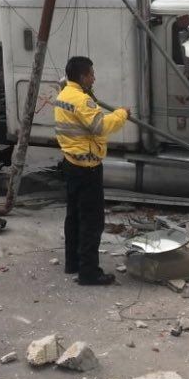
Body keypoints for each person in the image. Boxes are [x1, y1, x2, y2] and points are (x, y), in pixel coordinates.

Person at [54, 56, 129, 286]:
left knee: (74, 216)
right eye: (92, 74)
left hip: (71, 163)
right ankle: (89, 272)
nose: (94, 77)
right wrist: (122, 114)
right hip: (87, 168)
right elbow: (101, 127)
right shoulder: (81, 100)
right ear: (83, 76)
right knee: (91, 221)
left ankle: (73, 263)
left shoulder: (64, 95)